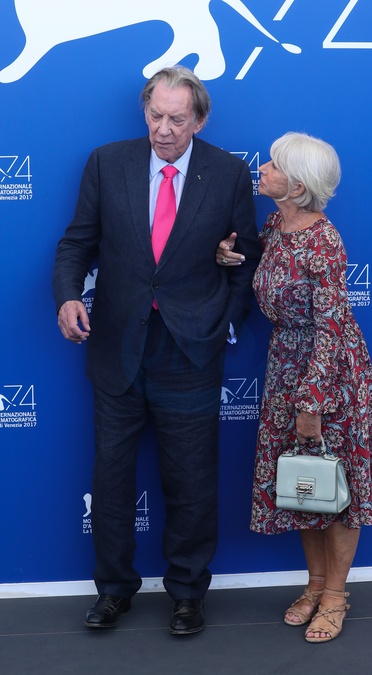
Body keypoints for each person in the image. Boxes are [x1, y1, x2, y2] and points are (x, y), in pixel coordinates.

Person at [53, 66, 261, 634]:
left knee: (192, 481)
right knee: (111, 479)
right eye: (155, 116)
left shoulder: (228, 173)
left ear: (200, 119)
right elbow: (76, 243)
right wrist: (68, 296)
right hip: (117, 348)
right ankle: (112, 592)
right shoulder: (106, 162)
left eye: (176, 119)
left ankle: (188, 594)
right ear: (145, 111)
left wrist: (224, 323)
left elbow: (245, 258)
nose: (163, 130)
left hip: (190, 352)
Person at [217, 132, 372, 643]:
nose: (262, 168)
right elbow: (263, 268)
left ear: (296, 186)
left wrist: (312, 400)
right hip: (285, 366)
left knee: (335, 486)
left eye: (274, 165)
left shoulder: (324, 240)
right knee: (303, 484)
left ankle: (335, 596)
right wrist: (231, 256)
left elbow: (331, 326)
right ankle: (314, 586)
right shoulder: (275, 225)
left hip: (329, 372)